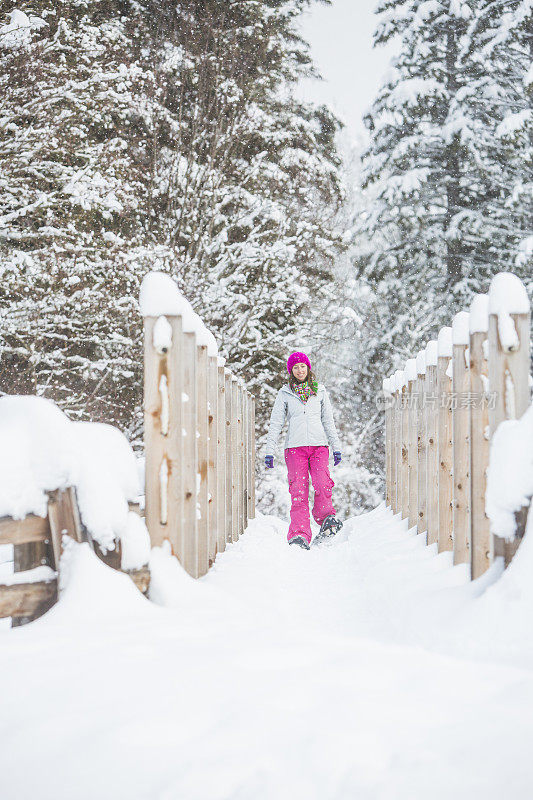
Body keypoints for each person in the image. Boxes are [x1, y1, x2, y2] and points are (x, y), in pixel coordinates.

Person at [264, 351, 343, 550]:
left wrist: (336, 447)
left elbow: (328, 421)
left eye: (303, 366)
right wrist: (269, 451)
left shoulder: (320, 391)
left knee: (322, 483)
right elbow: (276, 423)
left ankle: (326, 519)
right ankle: (299, 534)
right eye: (295, 367)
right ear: (291, 371)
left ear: (308, 368)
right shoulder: (285, 393)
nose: (300, 370)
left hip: (319, 447)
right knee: (298, 492)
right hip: (295, 449)